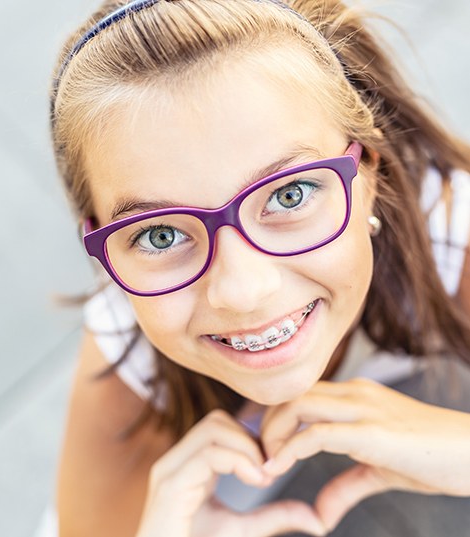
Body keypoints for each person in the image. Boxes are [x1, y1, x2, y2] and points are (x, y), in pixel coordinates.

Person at [47, 1, 470, 536]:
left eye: (290, 195)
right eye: (162, 235)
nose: (243, 290)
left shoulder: (449, 224)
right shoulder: (127, 345)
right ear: (100, 244)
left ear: (367, 171)